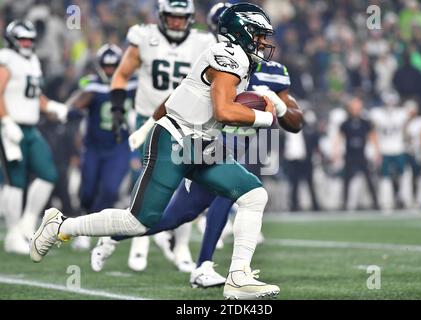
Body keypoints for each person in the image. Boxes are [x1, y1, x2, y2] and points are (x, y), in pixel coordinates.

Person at [31, 2, 282, 300]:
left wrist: (256, 108)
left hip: (201, 144)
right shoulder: (227, 55)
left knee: (254, 194)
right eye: (259, 34)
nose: (264, 42)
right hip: (175, 141)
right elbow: (224, 111)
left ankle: (238, 277)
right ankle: (61, 225)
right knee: (137, 221)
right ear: (242, 32)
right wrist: (266, 116)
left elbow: (214, 107)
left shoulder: (236, 57)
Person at [90, 2, 303, 290]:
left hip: (249, 145)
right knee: (180, 213)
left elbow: (295, 122)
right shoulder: (218, 59)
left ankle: (214, 269)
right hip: (210, 141)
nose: (261, 41)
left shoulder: (272, 70)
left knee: (214, 205)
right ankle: (194, 262)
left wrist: (277, 107)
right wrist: (148, 125)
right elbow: (179, 96)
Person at [109, 0, 217, 273]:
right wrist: (118, 109)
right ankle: (139, 242)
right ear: (161, 16)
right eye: (171, 17)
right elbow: (121, 75)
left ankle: (180, 247)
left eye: (182, 18)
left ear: (191, 18)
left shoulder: (203, 41)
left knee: (185, 184)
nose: (177, 22)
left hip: (185, 121)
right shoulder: (144, 37)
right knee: (144, 180)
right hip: (149, 121)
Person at [0, 20, 68, 255]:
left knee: (48, 173)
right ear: (12, 40)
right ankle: (12, 235)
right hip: (10, 127)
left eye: (30, 39)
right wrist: (6, 121)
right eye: (23, 40)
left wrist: (50, 105)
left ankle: (27, 223)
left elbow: (33, 93)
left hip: (30, 128)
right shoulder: (6, 58)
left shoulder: (32, 61)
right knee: (15, 181)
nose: (27, 44)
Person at [65, 44, 137, 250]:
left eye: (114, 66)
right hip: (93, 147)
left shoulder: (132, 85)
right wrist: (73, 111)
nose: (109, 70)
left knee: (110, 189)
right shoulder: (92, 85)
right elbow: (72, 106)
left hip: (118, 147)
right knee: (87, 191)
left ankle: (90, 230)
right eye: (106, 66)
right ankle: (84, 222)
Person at [333, 97, 380, 210]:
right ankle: (344, 204)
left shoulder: (365, 123)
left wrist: (377, 152)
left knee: (369, 179)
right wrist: (335, 152)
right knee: (346, 180)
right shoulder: (345, 123)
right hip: (350, 155)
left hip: (361, 155)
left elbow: (373, 137)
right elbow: (339, 138)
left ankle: (375, 203)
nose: (355, 110)